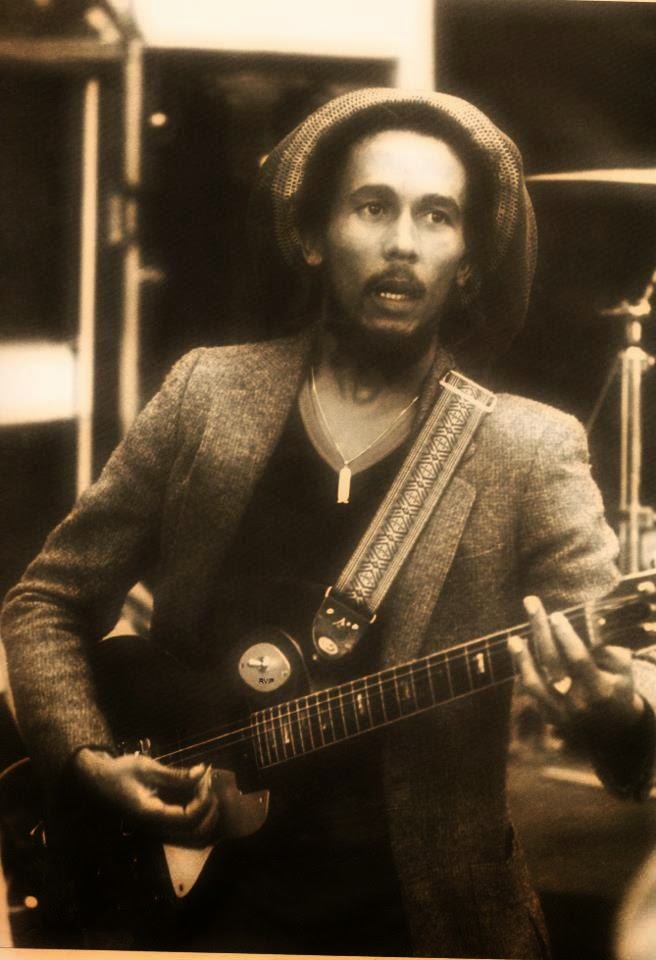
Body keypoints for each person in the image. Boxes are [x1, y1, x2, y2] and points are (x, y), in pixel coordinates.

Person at [1, 88, 655, 958]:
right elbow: (45, 601)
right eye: (372, 206)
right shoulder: (208, 395)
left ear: (467, 263)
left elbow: (631, 694)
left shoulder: (526, 448)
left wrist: (616, 706)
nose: (402, 242)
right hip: (186, 914)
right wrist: (85, 760)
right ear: (312, 237)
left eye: (436, 216)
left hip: (422, 923)